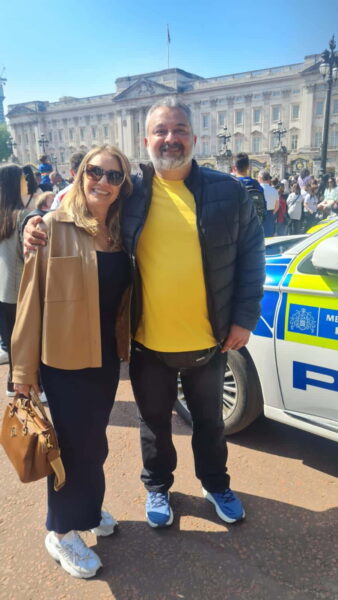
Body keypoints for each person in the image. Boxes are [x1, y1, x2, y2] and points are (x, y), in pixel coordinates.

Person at [24, 98, 266, 531]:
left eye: (178, 130)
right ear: (146, 139)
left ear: (194, 137)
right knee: (153, 422)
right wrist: (33, 220)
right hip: (146, 339)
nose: (170, 139)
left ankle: (215, 483)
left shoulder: (227, 191)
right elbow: (78, 206)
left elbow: (252, 253)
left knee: (209, 423)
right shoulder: (131, 191)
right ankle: (157, 485)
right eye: (161, 131)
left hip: (208, 338)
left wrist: (244, 317)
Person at [12, 145, 132, 579]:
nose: (102, 181)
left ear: (123, 186)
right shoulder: (50, 226)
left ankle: (87, 507)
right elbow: (29, 302)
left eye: (113, 176)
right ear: (80, 174)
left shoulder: (120, 231)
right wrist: (23, 373)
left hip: (103, 359)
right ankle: (61, 532)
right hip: (62, 360)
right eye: (94, 171)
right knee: (70, 448)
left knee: (94, 442)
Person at [0, 164, 30, 396]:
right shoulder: (22, 216)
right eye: (23, 179)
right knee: (26, 340)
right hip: (20, 288)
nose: (27, 182)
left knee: (11, 340)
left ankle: (13, 382)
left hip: (2, 289)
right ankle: (26, 384)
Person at [233, 152, 266, 224]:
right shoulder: (256, 184)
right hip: (254, 223)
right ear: (248, 167)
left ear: (235, 168)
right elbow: (264, 206)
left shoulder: (232, 184)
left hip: (237, 224)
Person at [258, 170, 279, 236]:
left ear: (260, 178)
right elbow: (277, 206)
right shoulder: (274, 190)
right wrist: (272, 213)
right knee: (269, 237)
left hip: (258, 214)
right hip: (270, 214)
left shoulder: (257, 189)